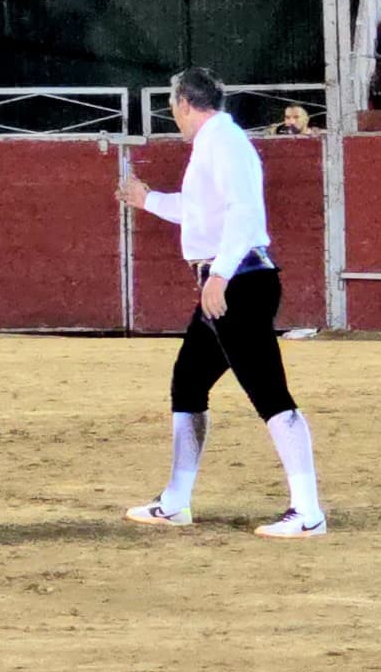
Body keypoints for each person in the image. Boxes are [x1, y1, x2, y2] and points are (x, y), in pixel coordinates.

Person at [117, 68, 326, 538]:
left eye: (174, 108)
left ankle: (308, 511)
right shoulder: (215, 144)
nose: (174, 117)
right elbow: (199, 212)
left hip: (239, 282)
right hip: (234, 279)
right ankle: (175, 501)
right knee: (188, 382)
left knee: (269, 393)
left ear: (185, 105)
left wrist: (220, 274)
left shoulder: (223, 144)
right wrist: (146, 199)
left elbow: (245, 213)